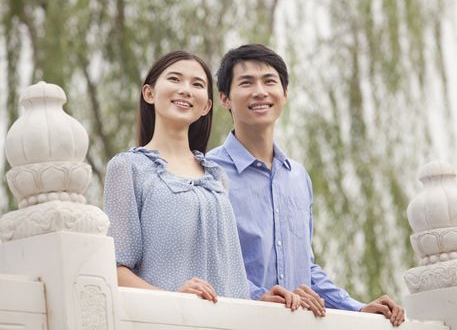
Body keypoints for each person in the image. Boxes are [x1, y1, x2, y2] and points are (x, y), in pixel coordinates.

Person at [207, 44, 405, 326]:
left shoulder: (297, 177)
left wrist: (356, 307)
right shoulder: (209, 172)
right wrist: (256, 297)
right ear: (225, 98)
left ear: (285, 94)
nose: (260, 91)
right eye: (246, 83)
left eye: (270, 81)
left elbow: (305, 268)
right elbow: (207, 261)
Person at [103, 51, 299, 309]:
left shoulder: (216, 177)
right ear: (149, 93)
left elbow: (230, 276)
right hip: (166, 322)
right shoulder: (128, 168)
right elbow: (115, 269)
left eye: (197, 84)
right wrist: (171, 297)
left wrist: (261, 299)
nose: (185, 90)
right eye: (175, 79)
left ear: (206, 105)